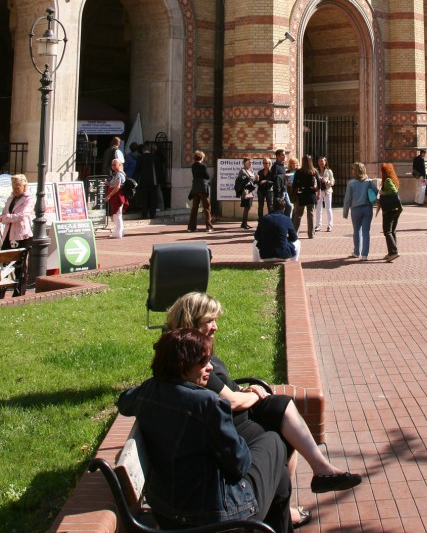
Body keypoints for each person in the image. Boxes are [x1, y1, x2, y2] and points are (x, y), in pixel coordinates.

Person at [165, 293, 362, 527]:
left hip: (232, 418)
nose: (215, 326)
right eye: (209, 320)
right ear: (191, 319)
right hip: (230, 423)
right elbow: (231, 402)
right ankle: (294, 496)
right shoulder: (189, 355)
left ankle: (315, 474)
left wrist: (244, 389)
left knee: (282, 411)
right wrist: (253, 395)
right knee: (279, 433)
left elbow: (223, 388)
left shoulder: (194, 346)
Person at [118, 328, 293, 532]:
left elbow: (123, 402)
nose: (210, 367)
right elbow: (240, 464)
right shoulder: (208, 403)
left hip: (165, 512)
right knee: (274, 441)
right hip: (216, 518)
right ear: (182, 365)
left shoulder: (148, 389)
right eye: (202, 362)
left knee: (280, 477)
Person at [343, 162, 375, 260]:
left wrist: (345, 212)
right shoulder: (369, 181)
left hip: (356, 209)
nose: (352, 171)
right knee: (366, 231)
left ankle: (357, 252)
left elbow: (347, 199)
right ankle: (365, 254)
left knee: (356, 231)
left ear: (356, 171)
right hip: (367, 208)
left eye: (353, 169)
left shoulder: (351, 183)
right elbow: (375, 192)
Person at [253, 197, 300, 261]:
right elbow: (294, 237)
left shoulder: (264, 219)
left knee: (255, 242)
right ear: (284, 208)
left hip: (265, 256)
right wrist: (284, 240)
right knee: (298, 242)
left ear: (272, 207)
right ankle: (294, 262)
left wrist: (265, 240)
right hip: (282, 255)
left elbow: (256, 236)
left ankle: (256, 263)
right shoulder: (286, 219)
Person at [1, 174, 34, 256]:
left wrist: (6, 218)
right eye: (13, 188)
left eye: (17, 188)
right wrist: (5, 218)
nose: (15, 191)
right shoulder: (11, 198)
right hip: (8, 233)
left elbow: (22, 216)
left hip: (21, 235)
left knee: (20, 260)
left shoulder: (29, 199)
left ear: (24, 186)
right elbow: (4, 214)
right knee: (4, 258)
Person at [376, 163, 402, 261]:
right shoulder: (393, 179)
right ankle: (391, 252)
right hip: (396, 209)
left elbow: (393, 191)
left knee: (387, 231)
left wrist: (382, 192)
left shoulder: (387, 180)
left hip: (390, 210)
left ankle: (393, 252)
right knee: (392, 231)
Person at [187, 149, 214, 233]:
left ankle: (191, 227)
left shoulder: (193, 166)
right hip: (203, 187)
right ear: (201, 157)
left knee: (194, 207)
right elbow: (207, 176)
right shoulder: (203, 166)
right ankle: (209, 227)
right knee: (206, 207)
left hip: (195, 187)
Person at [292, 155, 318, 239]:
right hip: (311, 194)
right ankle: (311, 234)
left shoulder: (299, 172)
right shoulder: (314, 171)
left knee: (298, 214)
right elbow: (319, 184)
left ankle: (295, 234)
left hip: (301, 194)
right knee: (310, 214)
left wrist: (293, 194)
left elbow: (294, 184)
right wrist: (317, 192)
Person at [104, 158, 127, 238]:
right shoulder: (116, 174)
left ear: (119, 165)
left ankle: (118, 233)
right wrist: (108, 184)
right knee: (117, 215)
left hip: (117, 196)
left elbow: (117, 186)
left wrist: (109, 195)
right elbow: (114, 184)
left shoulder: (119, 174)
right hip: (115, 196)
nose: (113, 166)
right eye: (112, 165)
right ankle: (120, 231)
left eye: (115, 164)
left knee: (117, 215)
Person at [136, 143, 158, 220]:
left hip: (144, 181)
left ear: (143, 150)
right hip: (153, 181)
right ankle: (153, 214)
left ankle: (144, 214)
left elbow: (137, 170)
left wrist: (136, 179)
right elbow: (158, 169)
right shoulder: (154, 157)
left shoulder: (140, 158)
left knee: (144, 198)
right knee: (153, 198)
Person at [235, 156, 257, 230]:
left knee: (248, 207)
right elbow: (242, 180)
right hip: (245, 191)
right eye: (249, 162)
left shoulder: (251, 170)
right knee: (246, 207)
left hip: (251, 191)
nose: (250, 163)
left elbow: (253, 181)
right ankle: (244, 223)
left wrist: (256, 179)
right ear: (244, 163)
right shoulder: (243, 171)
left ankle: (245, 223)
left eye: (251, 162)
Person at [315, 156, 334, 232]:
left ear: (325, 162)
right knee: (318, 208)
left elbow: (332, 181)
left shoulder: (329, 171)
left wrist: (327, 181)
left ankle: (329, 225)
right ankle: (318, 225)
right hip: (319, 191)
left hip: (327, 191)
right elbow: (314, 180)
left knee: (328, 208)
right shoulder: (316, 171)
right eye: (319, 161)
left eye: (322, 161)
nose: (321, 163)